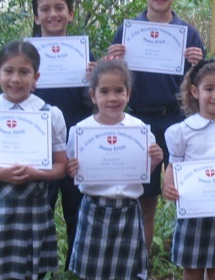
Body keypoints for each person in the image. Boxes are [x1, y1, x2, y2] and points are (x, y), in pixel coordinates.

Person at [108, 0, 205, 253]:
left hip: (178, 119)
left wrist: (198, 64)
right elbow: (112, 79)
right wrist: (114, 59)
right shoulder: (127, 32)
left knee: (187, 194)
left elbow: (203, 84)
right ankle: (142, 264)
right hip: (139, 122)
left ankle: (190, 260)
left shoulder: (188, 34)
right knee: (144, 200)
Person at [0, 41, 68, 280]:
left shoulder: (49, 114)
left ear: (36, 77)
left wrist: (36, 173)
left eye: (24, 72)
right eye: (9, 71)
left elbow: (61, 166)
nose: (15, 79)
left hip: (33, 207)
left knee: (32, 271)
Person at [66, 58, 163, 280]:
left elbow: (143, 170)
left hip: (129, 209)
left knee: (128, 274)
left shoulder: (139, 129)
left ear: (128, 94)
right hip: (94, 208)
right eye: (104, 91)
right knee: (93, 273)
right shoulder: (80, 131)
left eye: (119, 91)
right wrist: (72, 169)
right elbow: (74, 167)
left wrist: (155, 160)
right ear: (93, 95)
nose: (112, 98)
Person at [162, 59, 215, 280]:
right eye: (209, 89)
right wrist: (167, 188)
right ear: (194, 91)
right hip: (193, 211)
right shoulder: (182, 131)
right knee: (191, 269)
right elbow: (174, 164)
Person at [31, 0, 94, 271]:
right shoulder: (25, 57)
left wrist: (95, 80)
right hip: (37, 147)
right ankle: (38, 268)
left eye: (59, 8)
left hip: (77, 147)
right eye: (45, 9)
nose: (52, 14)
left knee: (77, 211)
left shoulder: (84, 57)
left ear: (71, 13)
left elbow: (98, 105)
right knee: (38, 211)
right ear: (36, 16)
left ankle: (76, 268)